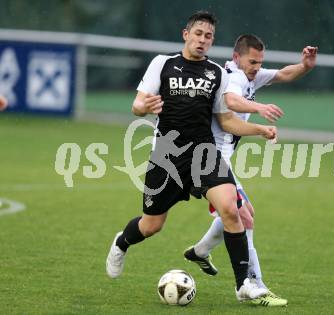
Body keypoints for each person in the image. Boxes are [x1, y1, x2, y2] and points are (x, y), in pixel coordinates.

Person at [106, 12, 278, 302]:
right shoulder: (163, 63)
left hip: (204, 152)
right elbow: (137, 104)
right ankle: (121, 243)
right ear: (186, 34)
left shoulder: (216, 73)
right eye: (198, 33)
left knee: (231, 209)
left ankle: (243, 285)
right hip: (167, 155)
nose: (202, 40)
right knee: (152, 225)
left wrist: (257, 129)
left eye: (208, 36)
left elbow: (226, 121)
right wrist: (142, 107)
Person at [183, 34, 318, 307]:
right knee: (244, 218)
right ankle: (253, 284)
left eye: (259, 62)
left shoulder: (251, 75)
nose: (257, 67)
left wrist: (305, 65)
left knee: (243, 214)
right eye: (252, 61)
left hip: (220, 159)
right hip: (208, 158)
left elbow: (284, 74)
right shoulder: (232, 77)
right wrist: (259, 108)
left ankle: (200, 251)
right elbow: (231, 101)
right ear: (236, 58)